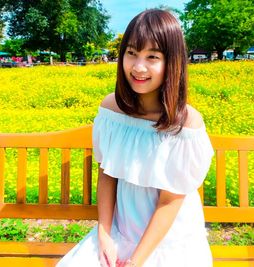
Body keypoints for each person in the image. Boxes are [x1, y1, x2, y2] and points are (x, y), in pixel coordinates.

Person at [57, 9, 214, 267]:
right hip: (121, 229)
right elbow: (106, 174)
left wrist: (135, 262)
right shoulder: (111, 110)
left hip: (169, 239)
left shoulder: (186, 123)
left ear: (172, 62)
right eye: (131, 53)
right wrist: (104, 234)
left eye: (152, 57)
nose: (138, 67)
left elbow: (170, 202)